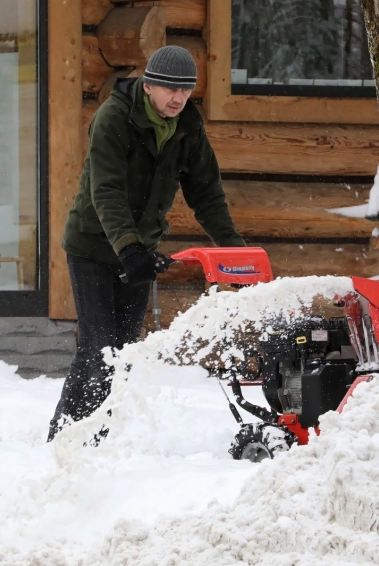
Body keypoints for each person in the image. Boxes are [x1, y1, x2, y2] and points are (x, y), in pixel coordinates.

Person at [48, 45, 245, 441]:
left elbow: (205, 192)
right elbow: (106, 191)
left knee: (123, 354)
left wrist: (234, 250)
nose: (178, 98)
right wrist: (129, 249)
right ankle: (64, 439)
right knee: (98, 349)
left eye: (186, 91)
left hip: (138, 252)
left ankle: (96, 438)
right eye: (170, 90)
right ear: (149, 85)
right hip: (93, 247)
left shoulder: (187, 123)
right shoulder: (113, 117)